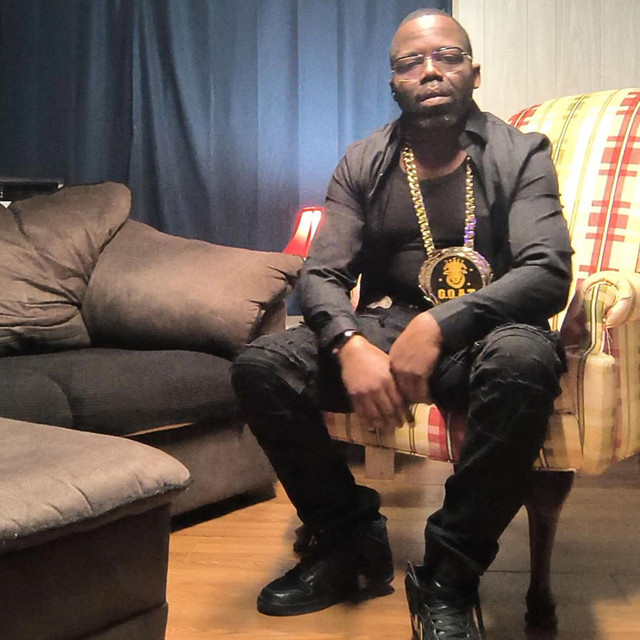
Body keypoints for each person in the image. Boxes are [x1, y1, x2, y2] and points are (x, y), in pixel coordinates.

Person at [231, 7, 573, 640]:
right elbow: (321, 274)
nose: (430, 70)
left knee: (523, 362)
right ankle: (348, 541)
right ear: (393, 83)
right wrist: (348, 342)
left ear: (474, 72)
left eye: (447, 56)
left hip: (493, 332)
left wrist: (443, 324)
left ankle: (448, 575)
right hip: (387, 326)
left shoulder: (520, 153)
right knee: (260, 367)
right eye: (411, 62)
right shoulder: (364, 160)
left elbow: (547, 271)